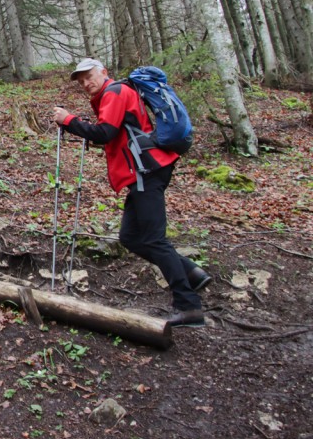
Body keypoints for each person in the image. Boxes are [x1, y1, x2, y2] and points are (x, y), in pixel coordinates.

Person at [52, 58, 211, 328]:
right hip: (144, 172)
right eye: (81, 82)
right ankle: (191, 274)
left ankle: (189, 307)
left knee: (154, 239)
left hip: (146, 172)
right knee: (130, 237)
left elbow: (105, 133)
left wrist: (69, 120)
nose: (86, 83)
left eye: (89, 76)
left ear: (103, 72)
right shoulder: (113, 94)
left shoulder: (114, 92)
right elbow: (114, 131)